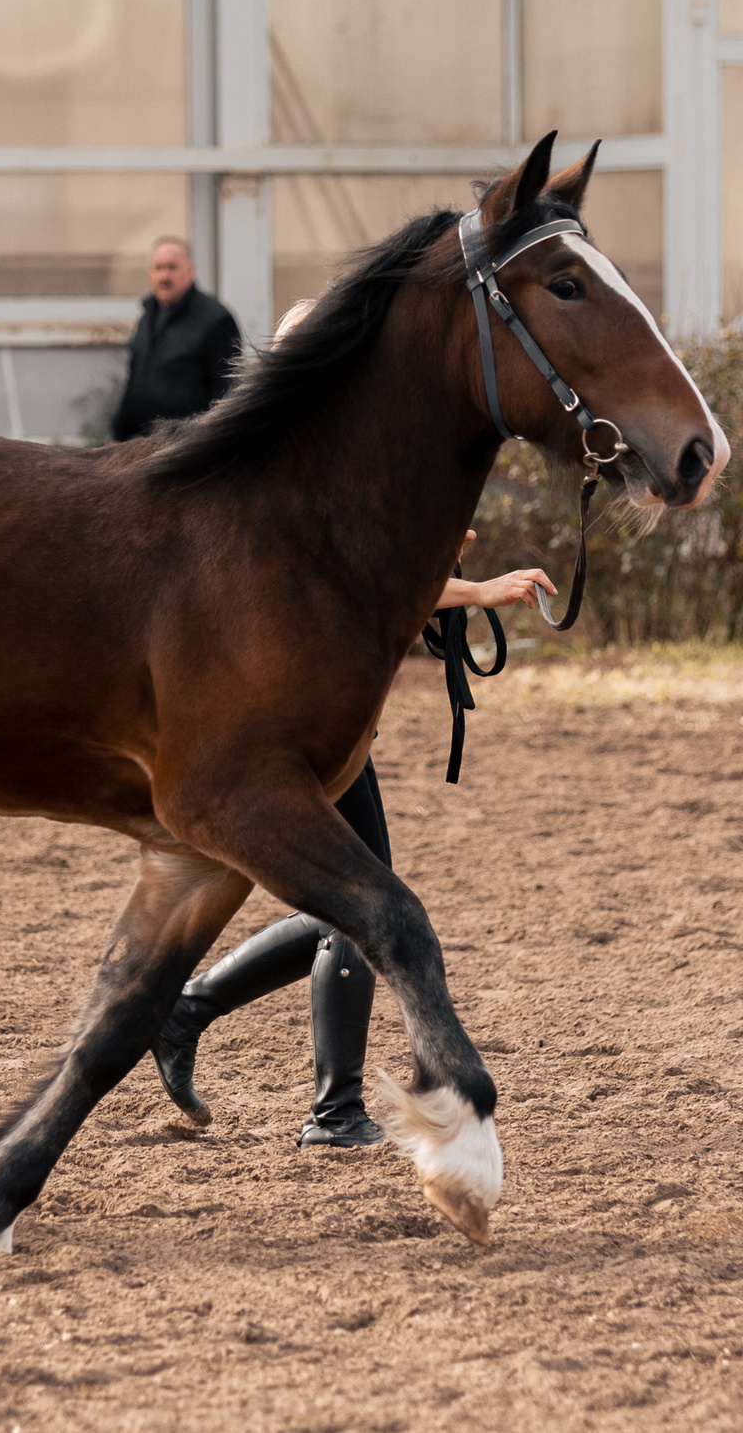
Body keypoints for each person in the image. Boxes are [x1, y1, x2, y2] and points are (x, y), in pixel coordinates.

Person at [145, 297, 555, 1147]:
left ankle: (195, 1013)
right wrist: (472, 588)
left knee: (357, 900)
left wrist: (434, 555)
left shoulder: (307, 452)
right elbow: (360, 580)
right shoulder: (299, 460)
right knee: (361, 900)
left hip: (315, 708)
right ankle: (320, 1102)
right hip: (295, 713)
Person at [109, 236, 242, 441]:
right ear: (150, 272)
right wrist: (118, 436)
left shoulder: (217, 320)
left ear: (190, 271)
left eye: (172, 267)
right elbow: (135, 381)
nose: (165, 276)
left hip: (187, 450)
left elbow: (227, 394)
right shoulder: (147, 317)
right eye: (159, 268)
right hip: (142, 446)